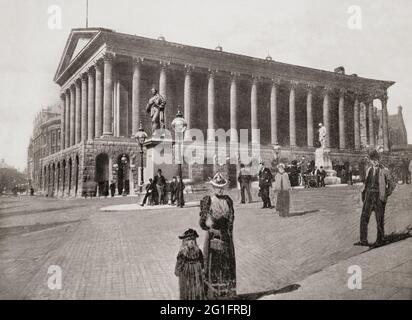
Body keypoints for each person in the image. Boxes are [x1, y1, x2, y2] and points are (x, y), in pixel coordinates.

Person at [199, 172, 236, 299]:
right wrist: (208, 222)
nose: (219, 190)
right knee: (214, 266)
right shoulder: (208, 200)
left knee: (226, 265)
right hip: (213, 237)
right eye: (217, 187)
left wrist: (228, 228)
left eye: (221, 188)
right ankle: (213, 295)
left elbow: (231, 217)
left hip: (225, 236)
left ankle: (227, 293)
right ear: (213, 188)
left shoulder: (228, 200)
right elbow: (203, 222)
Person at [355, 150, 396, 248]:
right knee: (364, 217)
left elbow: (392, 184)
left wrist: (386, 194)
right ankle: (363, 240)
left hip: (378, 197)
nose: (374, 162)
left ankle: (380, 239)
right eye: (372, 160)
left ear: (379, 160)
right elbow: (366, 183)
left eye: (376, 160)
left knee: (379, 219)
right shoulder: (369, 169)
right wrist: (364, 193)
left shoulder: (384, 170)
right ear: (370, 160)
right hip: (369, 196)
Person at [174, 228, 205, 300]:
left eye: (193, 240)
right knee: (187, 289)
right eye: (189, 240)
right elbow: (179, 263)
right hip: (186, 273)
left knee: (197, 289)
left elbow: (202, 261)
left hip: (197, 273)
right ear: (185, 242)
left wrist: (202, 269)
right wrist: (178, 270)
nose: (192, 242)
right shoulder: (183, 252)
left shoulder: (198, 251)